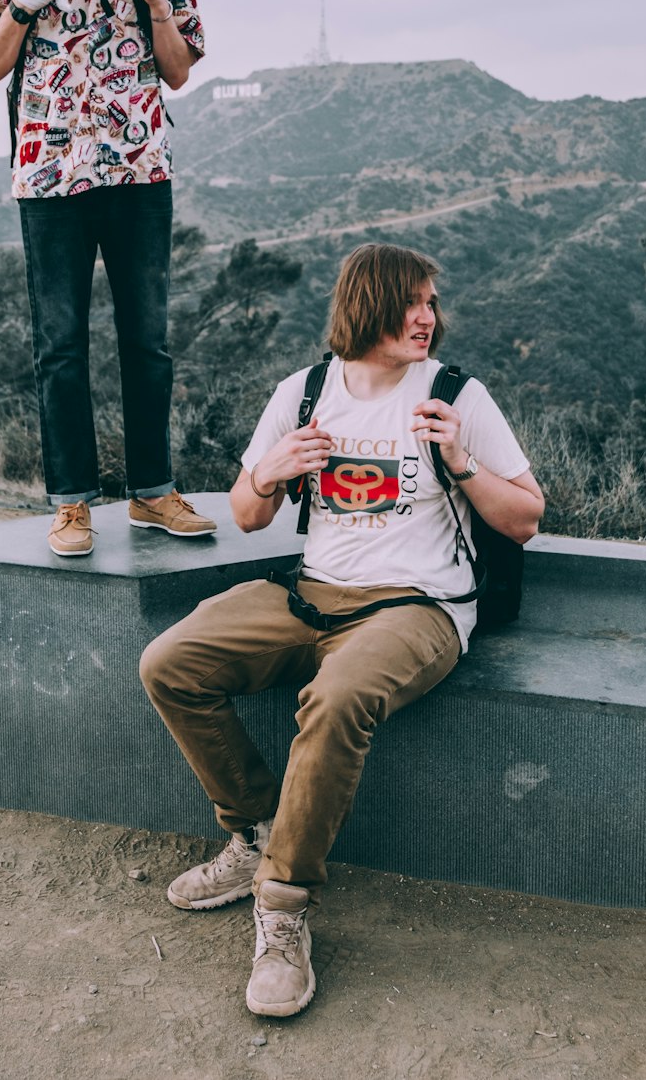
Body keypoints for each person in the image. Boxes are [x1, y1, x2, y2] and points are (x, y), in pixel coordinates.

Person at [140, 242, 543, 1017]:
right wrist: (271, 469)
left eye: (432, 302)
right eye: (412, 302)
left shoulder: (455, 393)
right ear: (367, 304)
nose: (428, 317)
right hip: (312, 592)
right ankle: (256, 829)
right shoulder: (304, 392)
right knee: (171, 662)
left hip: (419, 605)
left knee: (338, 695)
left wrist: (459, 458)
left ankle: (283, 910)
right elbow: (250, 514)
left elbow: (525, 519)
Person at [0, 0, 216, 555]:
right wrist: (23, 3)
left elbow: (178, 70)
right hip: (50, 175)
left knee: (148, 341)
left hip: (140, 169)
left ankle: (153, 493)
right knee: (60, 346)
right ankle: (71, 503)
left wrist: (158, 2)